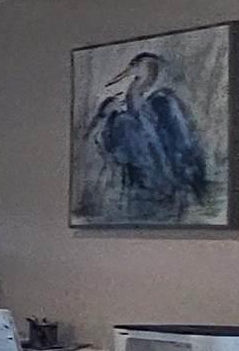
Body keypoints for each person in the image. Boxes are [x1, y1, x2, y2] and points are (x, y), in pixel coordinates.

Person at [84, 50, 212, 223]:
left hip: (181, 170)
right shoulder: (138, 112)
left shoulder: (163, 102)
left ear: (148, 71)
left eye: (134, 66)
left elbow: (183, 146)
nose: (129, 70)